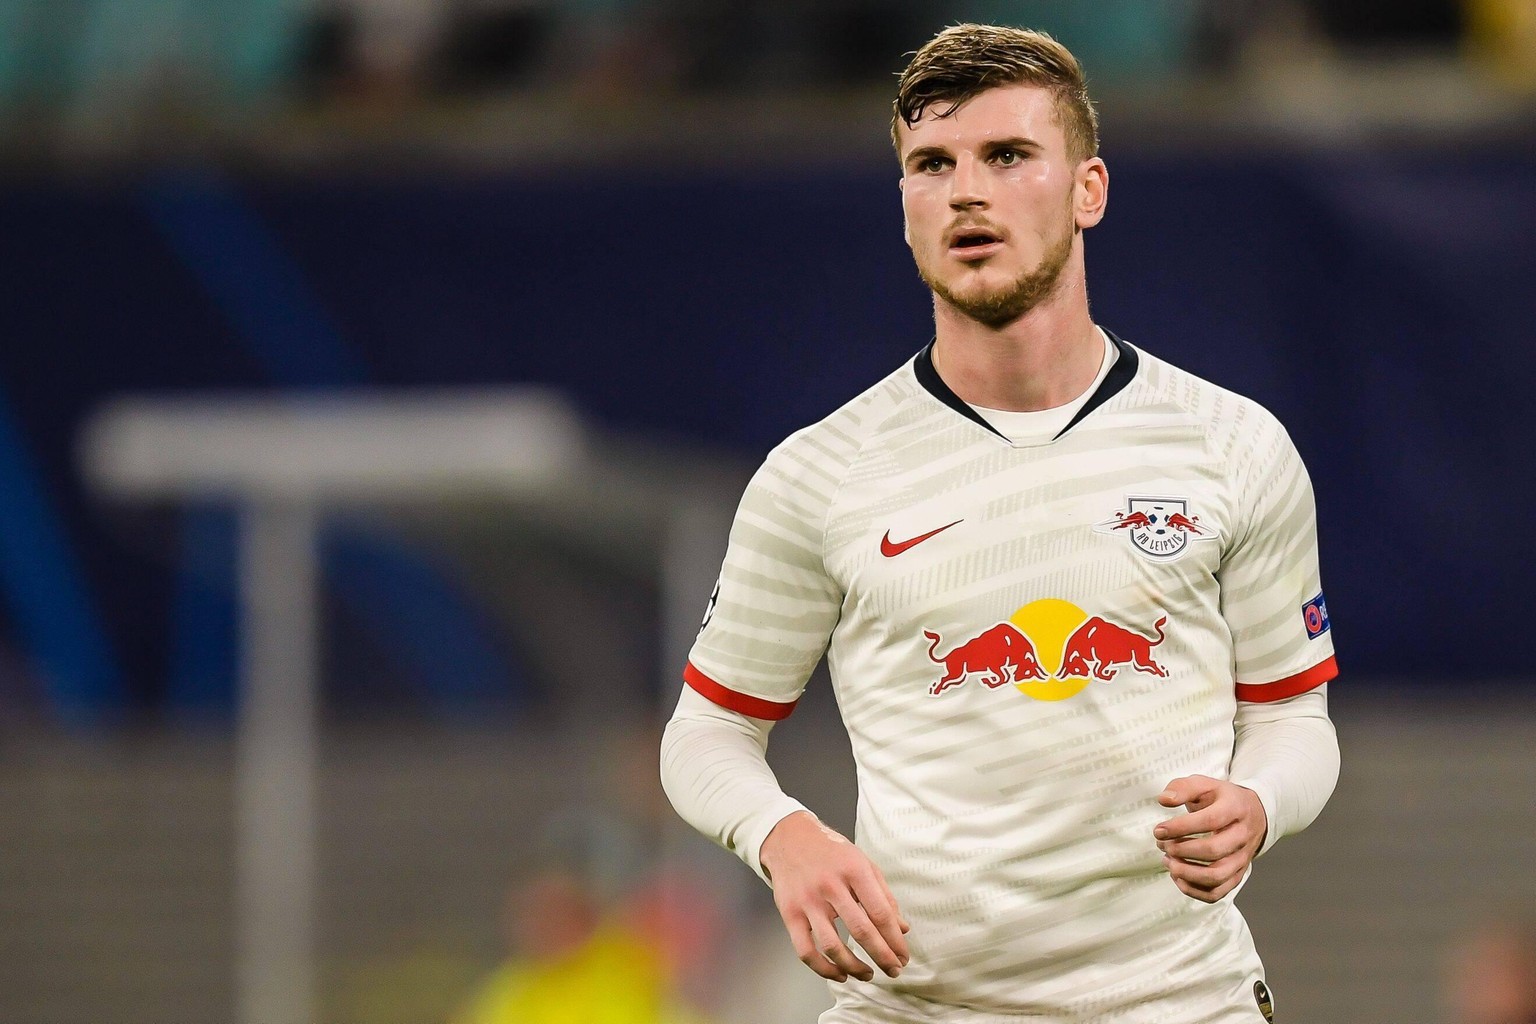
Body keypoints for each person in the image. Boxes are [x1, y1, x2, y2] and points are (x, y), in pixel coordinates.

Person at [660, 22, 1340, 1024]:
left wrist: (1261, 806)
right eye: (932, 165)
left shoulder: (1232, 446)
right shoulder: (819, 475)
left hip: (1179, 1003)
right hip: (917, 1008)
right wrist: (783, 835)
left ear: (1088, 190)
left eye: (1009, 156)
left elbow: (1294, 720)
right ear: (904, 208)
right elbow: (707, 732)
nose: (966, 191)